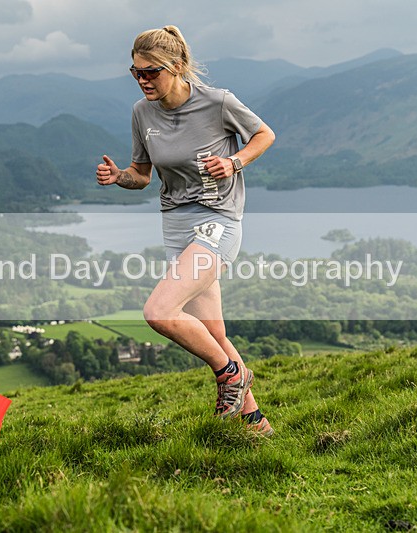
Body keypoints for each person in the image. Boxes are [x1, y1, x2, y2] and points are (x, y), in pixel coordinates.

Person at [96, 26, 276, 435]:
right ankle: (254, 422)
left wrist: (235, 162)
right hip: (176, 225)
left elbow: (265, 134)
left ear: (177, 68)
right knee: (213, 332)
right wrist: (117, 177)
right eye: (135, 73)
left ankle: (230, 374)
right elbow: (141, 175)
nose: (143, 81)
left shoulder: (218, 103)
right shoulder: (142, 113)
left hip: (219, 219)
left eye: (151, 72)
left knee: (159, 312)